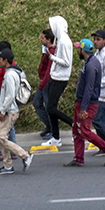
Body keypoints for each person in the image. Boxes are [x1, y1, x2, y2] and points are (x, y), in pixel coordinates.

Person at [64, 38, 105, 167]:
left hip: (87, 104)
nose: (77, 51)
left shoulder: (91, 65)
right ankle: (78, 158)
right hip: (82, 102)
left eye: (79, 49)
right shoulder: (89, 62)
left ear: (83, 50)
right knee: (76, 130)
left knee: (85, 131)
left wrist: (83, 108)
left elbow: (89, 88)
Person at [0, 48, 34, 175]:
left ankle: (24, 156)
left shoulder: (10, 75)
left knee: (1, 138)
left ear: (5, 60)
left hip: (9, 111)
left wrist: (3, 110)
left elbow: (10, 95)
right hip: (9, 110)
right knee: (0, 139)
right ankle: (7, 166)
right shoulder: (12, 72)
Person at [41, 15, 73, 147]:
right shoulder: (60, 40)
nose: (50, 29)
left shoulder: (65, 42)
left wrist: (51, 57)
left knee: (51, 108)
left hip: (60, 78)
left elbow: (66, 62)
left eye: (51, 26)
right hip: (55, 76)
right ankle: (55, 137)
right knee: (50, 109)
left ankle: (74, 124)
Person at [34, 29, 56, 141]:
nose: (41, 39)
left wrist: (43, 82)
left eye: (43, 38)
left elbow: (49, 69)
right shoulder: (46, 50)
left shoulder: (52, 51)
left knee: (48, 106)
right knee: (37, 103)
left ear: (48, 39)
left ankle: (53, 130)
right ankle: (48, 125)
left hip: (46, 81)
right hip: (42, 80)